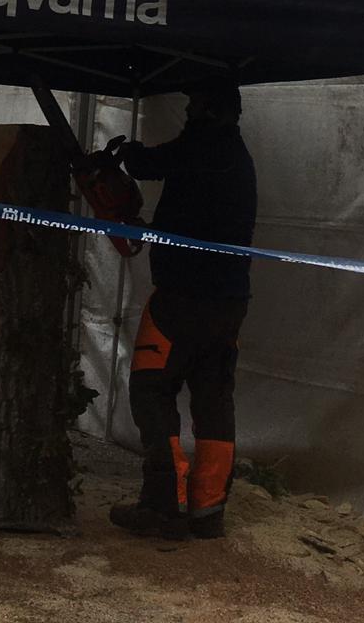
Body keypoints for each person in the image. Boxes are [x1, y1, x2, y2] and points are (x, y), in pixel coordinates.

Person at [108, 84, 256, 541]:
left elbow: (149, 164)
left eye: (195, 105)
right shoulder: (235, 155)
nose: (189, 110)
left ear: (210, 110)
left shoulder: (204, 143)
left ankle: (162, 504)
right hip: (229, 301)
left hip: (183, 296)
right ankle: (207, 509)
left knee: (151, 388)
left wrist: (122, 151)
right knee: (213, 398)